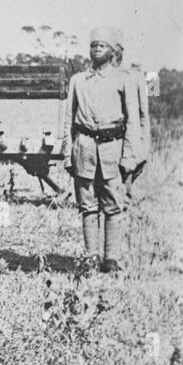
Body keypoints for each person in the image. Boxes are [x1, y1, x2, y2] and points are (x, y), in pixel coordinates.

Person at [64, 28, 141, 272]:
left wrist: (129, 156)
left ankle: (111, 258)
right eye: (94, 45)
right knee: (87, 205)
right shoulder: (77, 81)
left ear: (113, 51)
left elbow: (132, 122)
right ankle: (91, 257)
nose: (97, 49)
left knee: (113, 204)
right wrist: (68, 154)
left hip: (112, 150)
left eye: (103, 45)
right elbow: (68, 120)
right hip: (84, 149)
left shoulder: (123, 79)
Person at [111, 29, 150, 204]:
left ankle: (126, 189)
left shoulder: (137, 72)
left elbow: (144, 112)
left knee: (138, 154)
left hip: (137, 84)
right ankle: (123, 192)